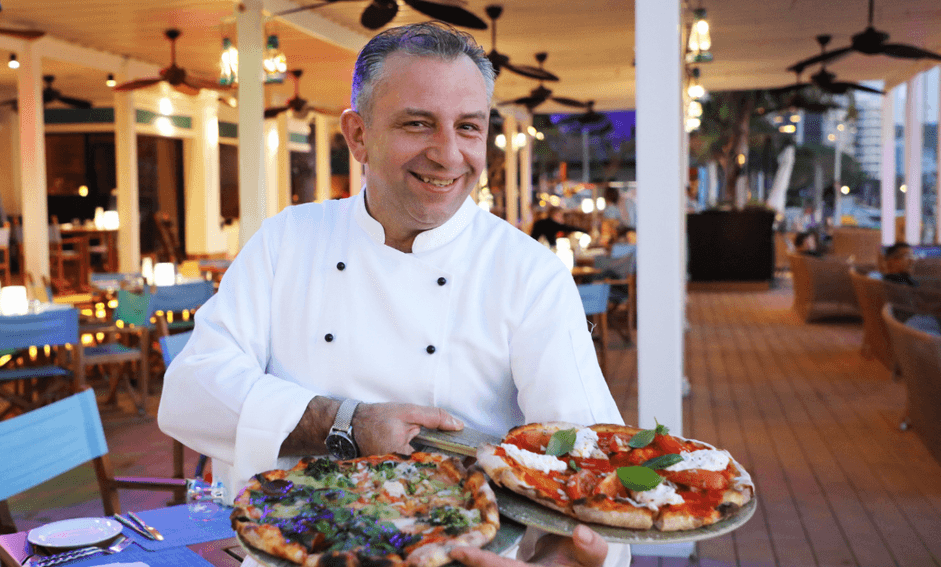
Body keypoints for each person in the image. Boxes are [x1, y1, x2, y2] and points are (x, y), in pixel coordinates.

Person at [159, 22, 627, 567]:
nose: (449, 154)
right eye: (418, 124)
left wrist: (563, 559)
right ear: (357, 135)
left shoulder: (529, 274)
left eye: (469, 127)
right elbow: (190, 395)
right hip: (287, 552)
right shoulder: (287, 240)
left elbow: (592, 462)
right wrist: (346, 424)